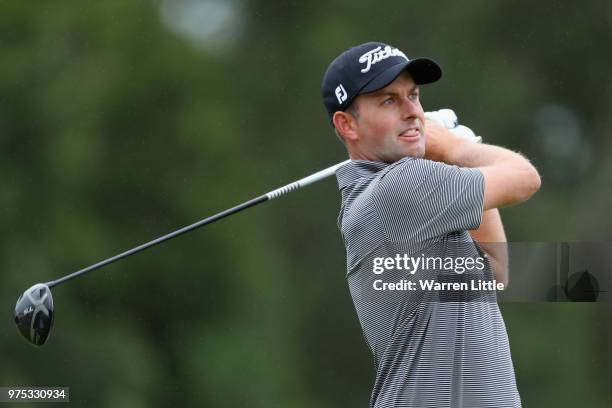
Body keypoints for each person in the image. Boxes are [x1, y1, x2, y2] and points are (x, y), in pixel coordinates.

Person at [321, 42, 540, 408]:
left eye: (413, 95)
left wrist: (456, 159)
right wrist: (457, 148)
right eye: (389, 100)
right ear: (347, 125)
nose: (412, 112)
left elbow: (494, 269)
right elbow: (525, 178)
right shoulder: (398, 187)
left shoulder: (400, 195)